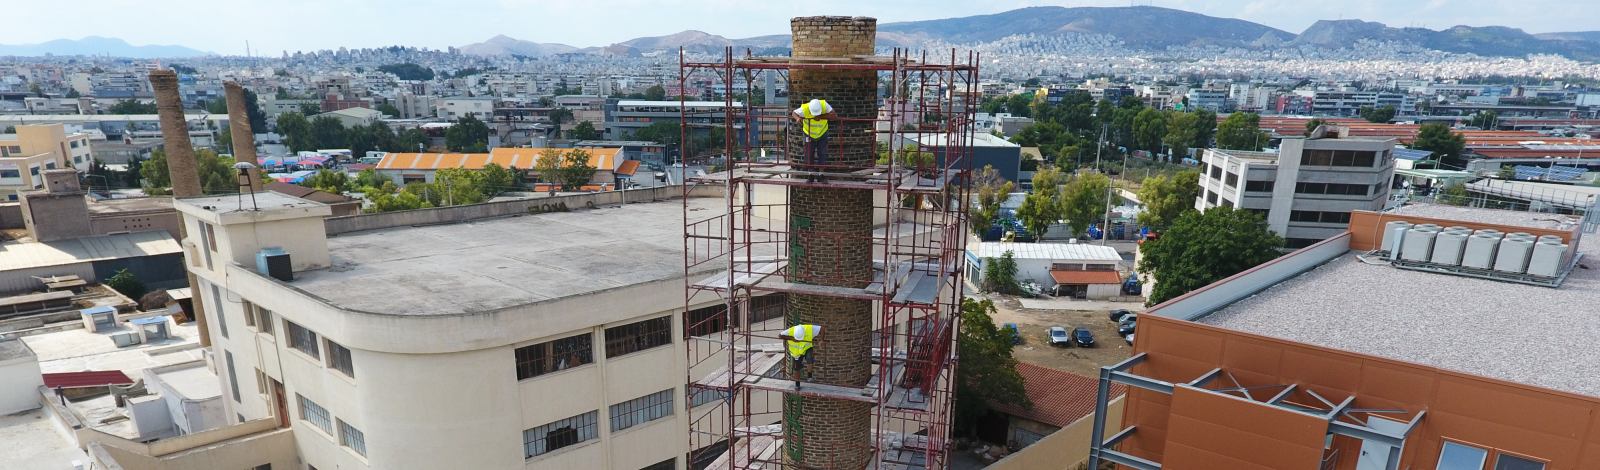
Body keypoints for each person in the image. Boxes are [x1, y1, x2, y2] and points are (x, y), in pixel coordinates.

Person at [791, 99, 836, 178]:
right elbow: (794, 113)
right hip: (808, 134)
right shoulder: (805, 108)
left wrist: (821, 116)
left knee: (822, 153)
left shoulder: (824, 105)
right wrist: (797, 118)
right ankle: (810, 174)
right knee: (809, 153)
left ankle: (821, 174)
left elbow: (834, 115)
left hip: (822, 133)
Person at [779, 323, 823, 389]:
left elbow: (822, 328)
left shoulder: (809, 328)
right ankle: (797, 384)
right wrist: (791, 338)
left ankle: (809, 377)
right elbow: (780, 335)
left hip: (806, 347)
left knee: (809, 358)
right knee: (797, 368)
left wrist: (821, 340)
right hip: (796, 352)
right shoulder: (790, 331)